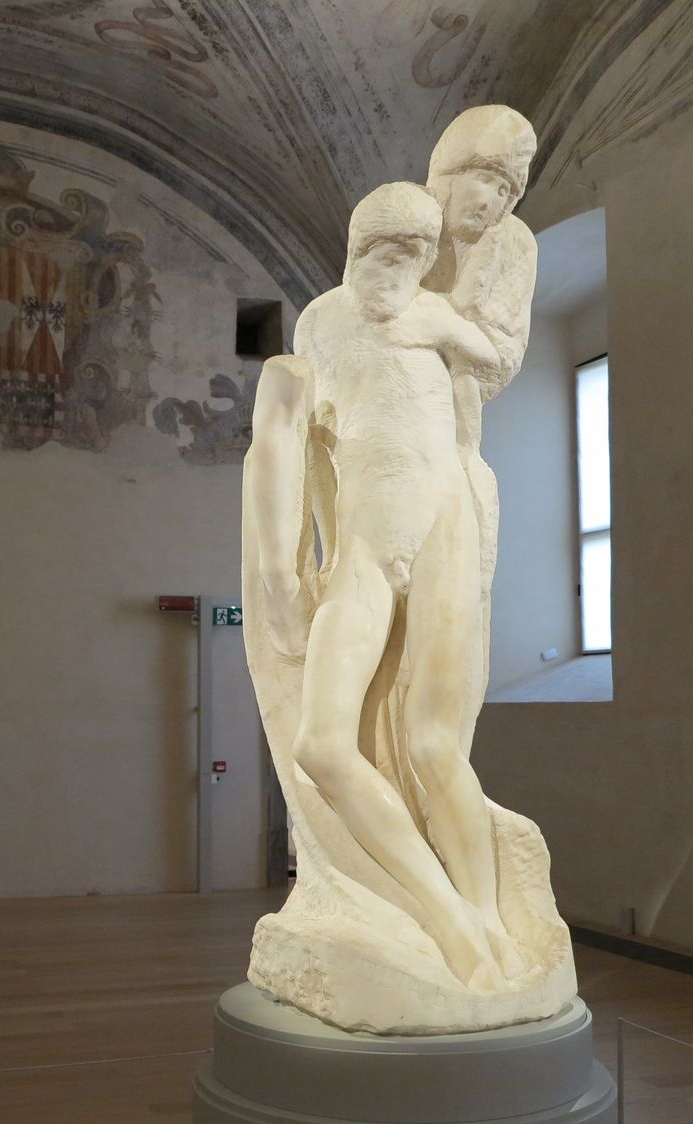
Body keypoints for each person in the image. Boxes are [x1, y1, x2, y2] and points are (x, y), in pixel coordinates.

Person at [256, 181, 509, 989]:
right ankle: (445, 913)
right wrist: (282, 566)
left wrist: (486, 247)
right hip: (362, 549)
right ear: (355, 249)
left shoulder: (436, 317)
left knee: (435, 743)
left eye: (416, 252)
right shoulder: (319, 324)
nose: (396, 267)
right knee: (322, 745)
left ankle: (489, 925)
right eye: (383, 249)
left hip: (441, 532)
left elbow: (498, 359)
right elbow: (289, 436)